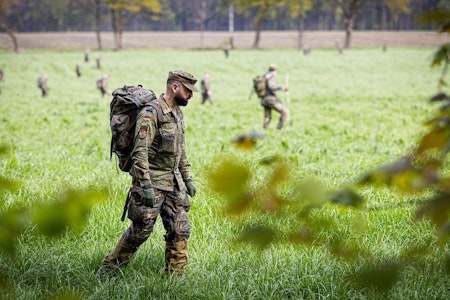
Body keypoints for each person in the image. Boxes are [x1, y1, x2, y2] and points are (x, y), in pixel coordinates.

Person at [97, 70, 198, 278]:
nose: (191, 95)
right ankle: (108, 270)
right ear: (175, 87)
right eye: (188, 91)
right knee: (141, 230)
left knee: (180, 228)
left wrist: (187, 177)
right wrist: (146, 185)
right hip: (152, 181)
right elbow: (139, 153)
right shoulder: (151, 114)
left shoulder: (177, 112)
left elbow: (181, 150)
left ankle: (175, 276)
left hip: (174, 182)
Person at [261, 64, 289, 130]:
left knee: (267, 116)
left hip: (264, 99)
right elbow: (272, 87)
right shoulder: (271, 77)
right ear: (275, 70)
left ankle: (265, 130)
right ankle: (279, 129)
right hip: (270, 99)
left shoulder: (264, 76)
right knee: (284, 112)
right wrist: (282, 88)